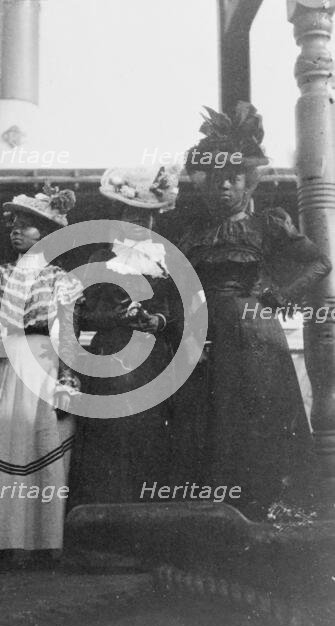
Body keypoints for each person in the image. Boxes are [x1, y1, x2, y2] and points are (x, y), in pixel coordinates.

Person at [175, 102, 331, 518]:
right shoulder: (195, 233)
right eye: (215, 180)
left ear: (248, 183)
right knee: (213, 416)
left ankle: (271, 508)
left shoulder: (267, 224)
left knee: (261, 411)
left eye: (233, 179)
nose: (223, 188)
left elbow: (319, 263)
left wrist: (281, 294)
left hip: (254, 331)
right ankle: (219, 512)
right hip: (205, 334)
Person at [0, 185, 82, 571]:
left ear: (46, 234)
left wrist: (69, 380)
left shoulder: (62, 279)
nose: (17, 231)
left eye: (28, 227)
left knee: (43, 451)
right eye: (15, 225)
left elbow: (69, 333)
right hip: (6, 364)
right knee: (3, 450)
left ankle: (45, 546)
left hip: (44, 364)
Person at [69, 166, 183, 506]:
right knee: (113, 434)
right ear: (120, 216)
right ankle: (106, 516)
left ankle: (149, 517)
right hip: (111, 356)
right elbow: (82, 312)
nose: (140, 224)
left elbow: (178, 306)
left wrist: (159, 320)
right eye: (133, 215)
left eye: (147, 217)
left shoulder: (165, 260)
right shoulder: (100, 258)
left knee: (151, 434)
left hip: (155, 360)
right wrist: (116, 316)